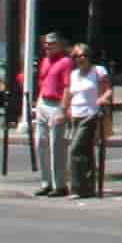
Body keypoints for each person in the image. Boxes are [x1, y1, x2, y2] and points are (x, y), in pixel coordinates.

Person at [31, 34, 73, 196]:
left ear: (60, 45)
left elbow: (67, 87)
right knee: (40, 143)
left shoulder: (65, 62)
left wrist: (63, 109)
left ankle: (60, 185)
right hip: (43, 103)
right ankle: (46, 182)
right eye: (46, 44)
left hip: (56, 105)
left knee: (57, 146)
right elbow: (42, 82)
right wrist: (38, 103)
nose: (48, 47)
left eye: (52, 45)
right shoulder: (45, 61)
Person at [66, 49, 110, 199]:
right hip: (75, 115)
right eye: (77, 56)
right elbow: (71, 94)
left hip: (90, 115)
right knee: (86, 152)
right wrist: (66, 109)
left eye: (84, 55)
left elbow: (108, 90)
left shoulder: (98, 71)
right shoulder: (73, 74)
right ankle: (88, 188)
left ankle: (77, 188)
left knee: (75, 150)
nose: (81, 58)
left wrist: (102, 98)